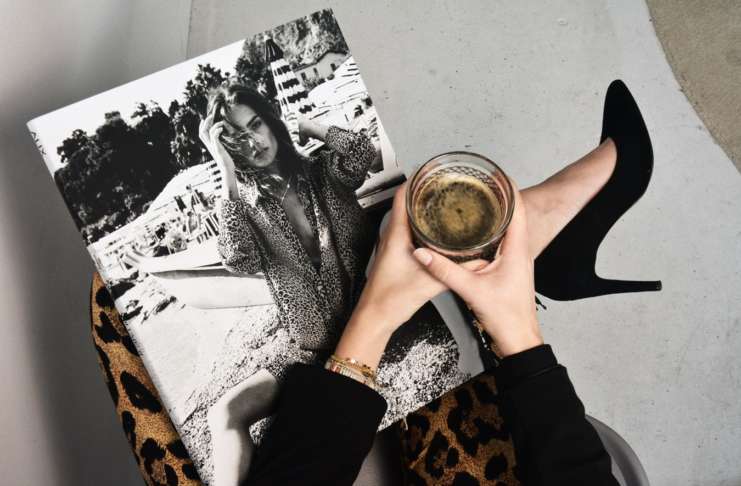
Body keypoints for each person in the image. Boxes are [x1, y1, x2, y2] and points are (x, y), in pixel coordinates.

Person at [242, 183, 619, 486]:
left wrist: (375, 316)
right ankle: (577, 209)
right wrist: (521, 339)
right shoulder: (258, 205)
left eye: (254, 126)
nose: (248, 142)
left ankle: (570, 210)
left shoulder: (310, 176)